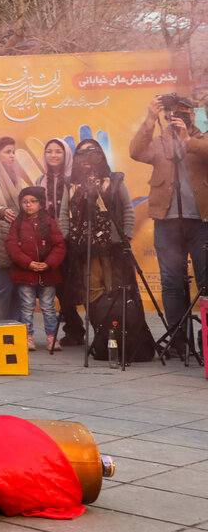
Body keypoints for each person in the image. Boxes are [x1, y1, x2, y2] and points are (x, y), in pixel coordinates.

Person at [129, 94, 208, 338]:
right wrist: (150, 120)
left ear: (193, 115)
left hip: (201, 224)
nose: (177, 117)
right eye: (171, 113)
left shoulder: (201, 139)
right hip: (167, 224)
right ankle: (178, 339)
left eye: (183, 113)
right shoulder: (160, 142)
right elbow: (136, 151)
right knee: (172, 283)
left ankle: (206, 338)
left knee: (206, 283)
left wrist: (186, 140)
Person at [59, 139, 134, 306]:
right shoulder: (70, 184)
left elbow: (128, 209)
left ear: (100, 155)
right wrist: (67, 238)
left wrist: (126, 236)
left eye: (91, 151)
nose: (87, 156)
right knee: (92, 290)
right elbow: (63, 213)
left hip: (112, 245)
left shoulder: (114, 180)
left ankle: (113, 328)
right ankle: (99, 326)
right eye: (82, 152)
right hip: (83, 248)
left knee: (113, 286)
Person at [5, 186, 66, 351]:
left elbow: (59, 245)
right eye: (24, 202)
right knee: (26, 305)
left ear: (41, 204)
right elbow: (11, 247)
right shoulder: (17, 224)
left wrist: (48, 263)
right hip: (25, 273)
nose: (28, 205)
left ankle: (52, 337)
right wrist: (28, 263)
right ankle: (27, 336)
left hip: (48, 274)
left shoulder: (49, 222)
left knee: (48, 306)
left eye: (33, 201)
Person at [35, 138, 83, 345]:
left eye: (58, 152)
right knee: (61, 287)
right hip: (51, 243)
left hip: (74, 241)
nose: (53, 155)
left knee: (82, 284)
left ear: (66, 155)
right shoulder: (40, 180)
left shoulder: (74, 179)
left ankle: (100, 328)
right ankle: (73, 329)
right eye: (49, 151)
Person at [0, 137, 24, 320]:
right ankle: (0, 327)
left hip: (16, 238)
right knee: (3, 286)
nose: (12, 156)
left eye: (13, 152)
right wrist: (0, 212)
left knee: (17, 287)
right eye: (7, 152)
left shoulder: (15, 176)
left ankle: (16, 329)